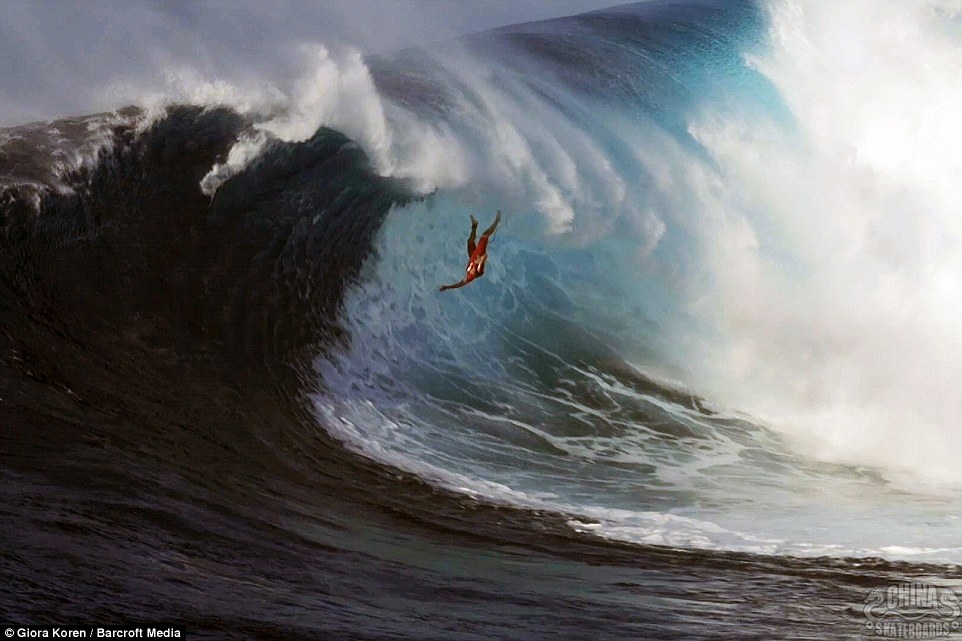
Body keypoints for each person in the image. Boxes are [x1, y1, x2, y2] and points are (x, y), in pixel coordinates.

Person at [439, 210, 501, 292]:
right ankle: (497, 221)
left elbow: (459, 284)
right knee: (485, 235)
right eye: (473, 271)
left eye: (472, 271)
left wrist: (447, 287)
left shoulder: (468, 277)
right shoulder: (478, 271)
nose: (472, 271)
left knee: (470, 241)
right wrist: (481, 259)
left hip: (472, 255)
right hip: (478, 254)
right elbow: (483, 259)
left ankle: (474, 225)